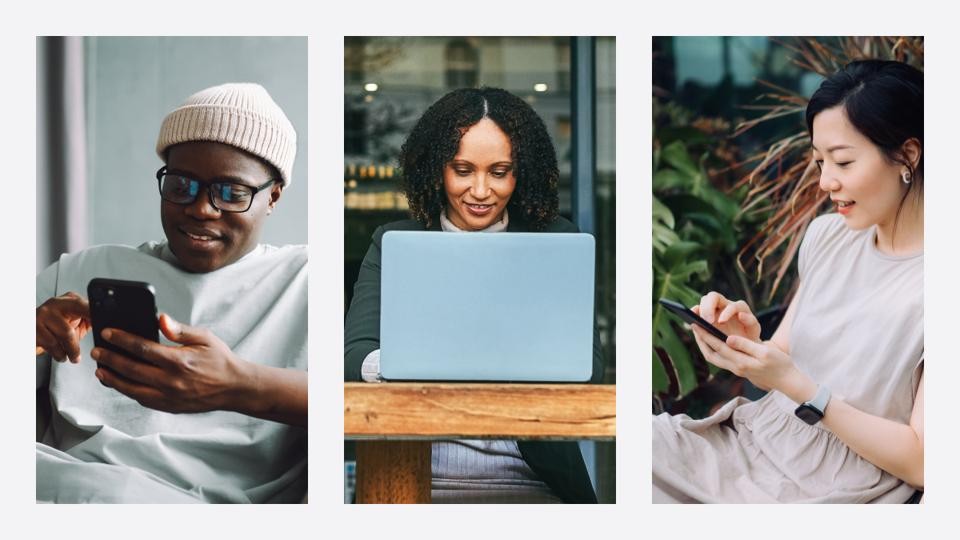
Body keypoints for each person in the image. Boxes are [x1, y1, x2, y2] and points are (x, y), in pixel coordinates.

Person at [653, 60, 923, 503]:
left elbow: (924, 461)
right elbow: (781, 355)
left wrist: (801, 388)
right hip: (758, 441)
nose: (824, 182)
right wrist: (742, 342)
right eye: (820, 161)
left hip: (834, 486)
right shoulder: (828, 236)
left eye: (843, 161)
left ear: (908, 156)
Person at [35, 83, 307, 503]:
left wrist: (237, 385)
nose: (201, 209)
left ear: (272, 197)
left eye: (232, 193)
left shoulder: (306, 280)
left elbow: (357, 398)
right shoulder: (79, 270)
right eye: (181, 186)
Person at [344, 87, 603, 503]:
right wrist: (409, 362)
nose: (481, 191)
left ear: (522, 173)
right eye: (462, 170)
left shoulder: (556, 241)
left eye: (499, 172)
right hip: (411, 473)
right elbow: (353, 357)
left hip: (530, 479)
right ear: (437, 170)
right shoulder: (392, 242)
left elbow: (587, 366)